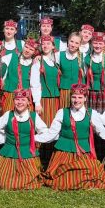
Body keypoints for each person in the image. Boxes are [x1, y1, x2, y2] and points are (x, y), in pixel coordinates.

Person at [35, 84, 105, 190]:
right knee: (63, 178)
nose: (76, 100)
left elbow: (101, 131)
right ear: (70, 98)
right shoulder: (62, 112)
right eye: (74, 97)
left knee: (89, 171)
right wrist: (33, 138)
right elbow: (51, 134)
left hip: (83, 152)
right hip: (63, 153)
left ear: (85, 98)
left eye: (80, 97)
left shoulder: (91, 114)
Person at [0, 89, 49, 190]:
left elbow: (44, 131)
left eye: (23, 99)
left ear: (28, 102)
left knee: (28, 178)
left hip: (27, 154)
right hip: (9, 153)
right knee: (4, 181)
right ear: (13, 101)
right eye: (17, 99)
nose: (20, 102)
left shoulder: (33, 116)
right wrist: (6, 137)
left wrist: (34, 138)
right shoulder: (8, 115)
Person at [30, 35, 61, 167]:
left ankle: (51, 160)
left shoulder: (56, 61)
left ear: (53, 46)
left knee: (55, 128)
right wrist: (37, 102)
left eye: (48, 44)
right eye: (43, 44)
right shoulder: (38, 62)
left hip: (56, 100)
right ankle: (40, 159)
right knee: (44, 128)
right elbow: (35, 83)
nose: (46, 46)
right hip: (44, 100)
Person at [1, 37, 37, 112]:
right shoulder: (12, 56)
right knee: (7, 116)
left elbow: (35, 84)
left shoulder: (35, 63)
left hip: (25, 97)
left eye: (31, 49)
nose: (27, 50)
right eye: (26, 47)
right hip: (10, 95)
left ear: (34, 52)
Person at [84, 31, 105, 113]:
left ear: (104, 44)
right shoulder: (86, 57)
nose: (98, 46)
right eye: (95, 43)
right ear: (91, 44)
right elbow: (85, 74)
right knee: (93, 113)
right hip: (93, 90)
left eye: (100, 43)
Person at [57, 32, 85, 108]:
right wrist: (39, 57)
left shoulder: (84, 56)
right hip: (64, 90)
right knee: (65, 111)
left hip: (79, 92)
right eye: (71, 41)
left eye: (76, 43)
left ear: (80, 45)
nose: (73, 45)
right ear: (68, 41)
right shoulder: (59, 55)